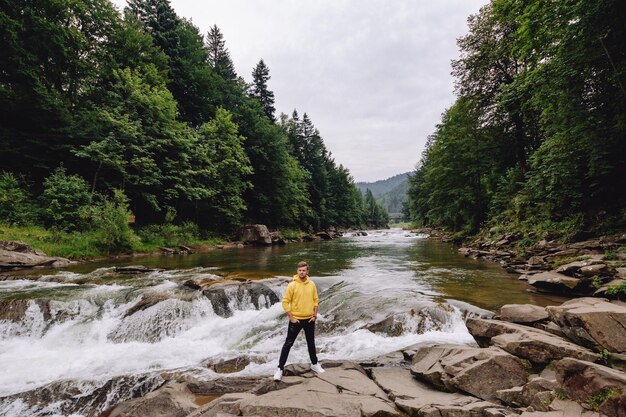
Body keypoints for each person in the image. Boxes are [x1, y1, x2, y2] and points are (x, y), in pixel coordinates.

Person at [273, 261, 325, 381]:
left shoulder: (311, 284)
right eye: (300, 270)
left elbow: (315, 300)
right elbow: (285, 302)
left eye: (304, 270)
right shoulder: (292, 285)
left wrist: (315, 315)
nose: (302, 272)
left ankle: (314, 364)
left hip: (309, 319)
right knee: (288, 344)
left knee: (311, 343)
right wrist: (291, 317)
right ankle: (279, 368)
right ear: (297, 271)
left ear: (307, 271)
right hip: (296, 320)